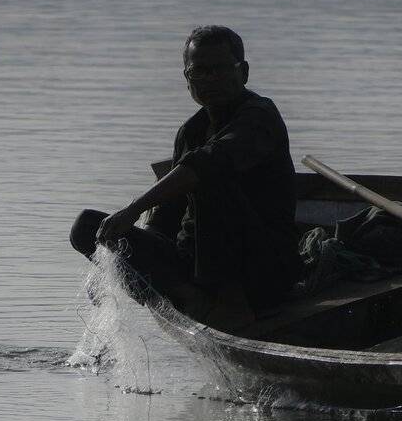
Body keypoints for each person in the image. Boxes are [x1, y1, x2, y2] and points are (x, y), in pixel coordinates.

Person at [70, 26, 300, 325]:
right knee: (87, 227)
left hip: (260, 269)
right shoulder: (191, 131)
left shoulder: (259, 116)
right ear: (187, 78)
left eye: (219, 69)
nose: (209, 79)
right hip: (194, 264)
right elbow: (165, 217)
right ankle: (189, 296)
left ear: (243, 72)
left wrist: (134, 209)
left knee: (210, 176)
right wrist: (122, 259)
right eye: (199, 72)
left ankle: (230, 303)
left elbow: (207, 164)